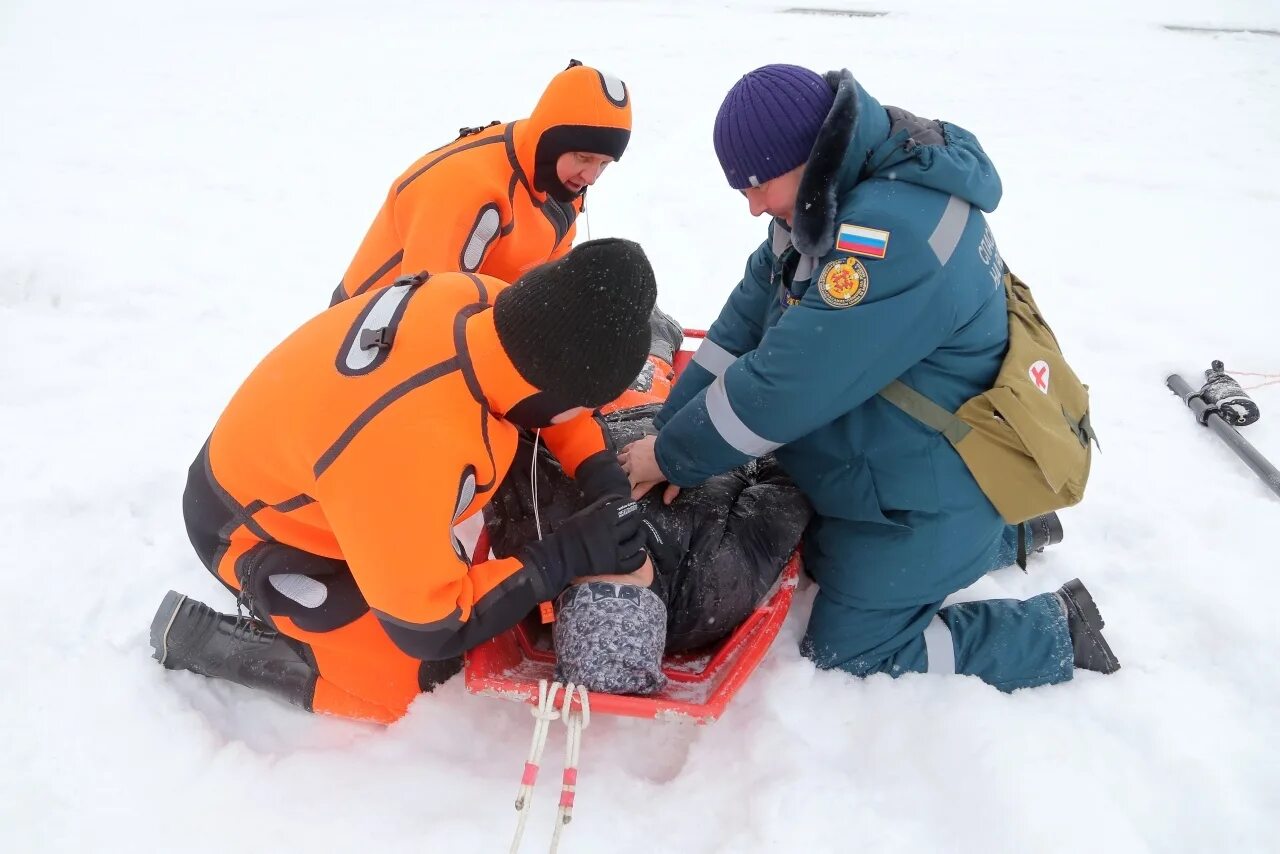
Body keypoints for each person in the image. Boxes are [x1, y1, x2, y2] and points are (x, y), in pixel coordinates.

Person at [619, 65, 1119, 693]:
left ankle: (1054, 631)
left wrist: (670, 455)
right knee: (813, 546)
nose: (752, 207)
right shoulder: (828, 195)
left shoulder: (888, 236)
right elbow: (741, 328)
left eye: (758, 186)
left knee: (851, 652)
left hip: (936, 488)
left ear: (806, 155)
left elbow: (783, 387)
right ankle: (1009, 528)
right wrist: (667, 434)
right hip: (910, 455)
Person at [152, 239, 657, 724]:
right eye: (584, 401)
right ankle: (235, 645)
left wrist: (600, 475)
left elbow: (557, 400)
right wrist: (561, 555)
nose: (584, 413)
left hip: (301, 457)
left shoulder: (482, 301)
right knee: (413, 680)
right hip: (249, 528)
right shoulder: (411, 445)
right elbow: (433, 624)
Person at [330, 60, 631, 306]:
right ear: (551, 140)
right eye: (583, 157)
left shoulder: (557, 179)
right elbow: (431, 311)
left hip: (472, 314)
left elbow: (551, 266)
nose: (591, 176)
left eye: (603, 164)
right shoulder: (467, 189)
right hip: (362, 341)